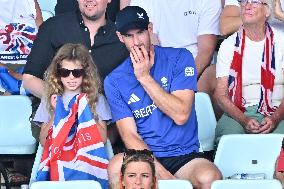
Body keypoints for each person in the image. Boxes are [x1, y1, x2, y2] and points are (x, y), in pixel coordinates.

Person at [104, 6, 221, 189]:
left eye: (141, 32)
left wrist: (144, 78)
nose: (136, 42)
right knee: (115, 167)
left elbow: (181, 115)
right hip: (142, 156)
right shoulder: (114, 80)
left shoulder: (180, 58)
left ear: (150, 29)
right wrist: (161, 174)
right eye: (129, 36)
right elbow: (130, 135)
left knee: (210, 177)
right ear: (120, 38)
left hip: (184, 155)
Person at [23, 0, 129, 98]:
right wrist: (66, 103)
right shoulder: (53, 27)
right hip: (56, 112)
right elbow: (29, 79)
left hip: (105, 115)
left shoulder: (122, 38)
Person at [215, 0, 284, 141]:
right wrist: (244, 120)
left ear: (267, 11)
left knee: (278, 145)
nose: (248, 5)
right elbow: (221, 94)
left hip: (278, 110)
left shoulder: (281, 42)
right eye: (244, 1)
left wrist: (275, 118)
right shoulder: (228, 45)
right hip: (240, 111)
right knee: (228, 140)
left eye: (255, 2)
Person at [32, 43, 111, 146]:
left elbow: (102, 139)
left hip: (86, 156)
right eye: (65, 72)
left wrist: (85, 110)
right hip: (59, 157)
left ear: (85, 73)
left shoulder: (97, 98)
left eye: (77, 72)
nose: (71, 77)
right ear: (58, 74)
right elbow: (43, 141)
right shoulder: (51, 99)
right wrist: (57, 113)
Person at [0, 0, 43, 95]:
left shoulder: (29, 2)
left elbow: (43, 38)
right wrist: (11, 73)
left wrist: (31, 72)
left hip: (30, 66)